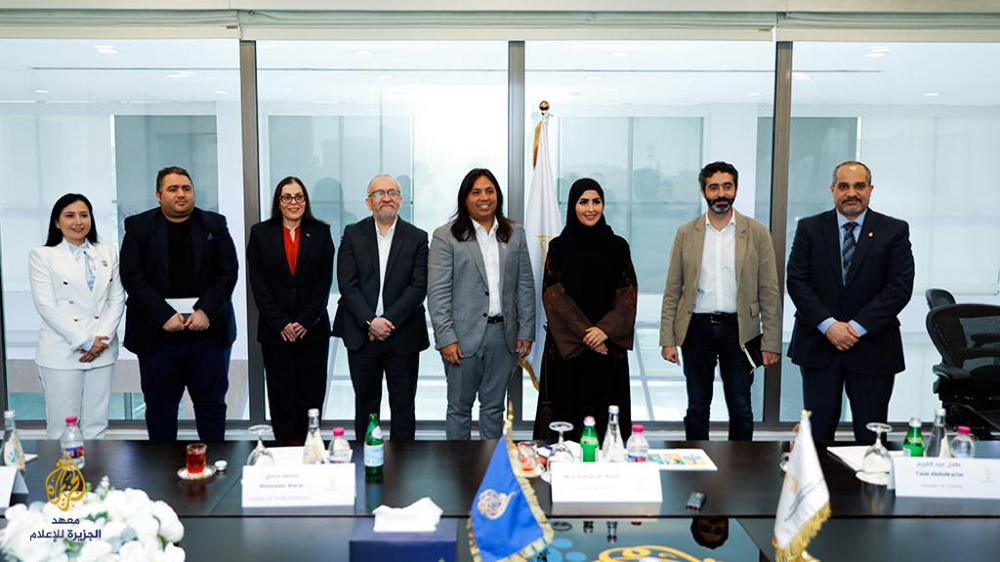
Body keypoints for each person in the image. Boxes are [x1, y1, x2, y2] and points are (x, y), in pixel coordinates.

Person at [786, 161, 914, 443]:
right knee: (816, 435)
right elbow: (797, 280)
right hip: (820, 345)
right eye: (843, 186)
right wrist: (829, 325)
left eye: (859, 186)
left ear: (870, 189)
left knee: (871, 438)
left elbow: (899, 287)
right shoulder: (809, 228)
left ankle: (868, 489)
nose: (851, 193)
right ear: (833, 190)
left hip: (873, 347)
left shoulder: (893, 230)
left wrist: (856, 327)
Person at [659, 161, 782, 441]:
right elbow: (672, 289)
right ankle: (696, 468)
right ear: (703, 191)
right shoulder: (686, 233)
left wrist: (771, 342)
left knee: (741, 407)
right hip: (697, 328)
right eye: (714, 187)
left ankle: (742, 472)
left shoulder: (757, 232)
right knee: (697, 406)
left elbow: (769, 291)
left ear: (735, 189)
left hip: (740, 331)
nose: (721, 193)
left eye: (727, 186)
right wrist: (667, 338)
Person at [120, 166, 239, 442]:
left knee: (211, 407)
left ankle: (214, 475)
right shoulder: (139, 227)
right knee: (160, 409)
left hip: (207, 335)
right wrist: (164, 315)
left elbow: (227, 273)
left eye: (186, 188)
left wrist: (206, 312)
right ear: (159, 195)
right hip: (157, 336)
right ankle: (163, 479)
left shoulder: (214, 225)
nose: (181, 194)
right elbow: (132, 277)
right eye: (173, 189)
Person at [428, 168, 535, 440]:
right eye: (476, 192)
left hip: (504, 336)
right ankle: (458, 476)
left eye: (489, 191)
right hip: (461, 340)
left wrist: (526, 331)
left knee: (494, 409)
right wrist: (446, 338)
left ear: (497, 196)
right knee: (459, 409)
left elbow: (524, 285)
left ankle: (489, 472)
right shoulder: (446, 236)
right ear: (465, 199)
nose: (484, 197)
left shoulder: (515, 234)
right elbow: (437, 292)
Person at [531, 178, 637, 443]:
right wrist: (587, 334)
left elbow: (627, 293)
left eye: (596, 201)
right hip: (569, 352)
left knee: (606, 421)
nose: (591, 208)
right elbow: (552, 294)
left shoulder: (618, 246)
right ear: (572, 206)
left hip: (607, 349)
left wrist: (604, 330)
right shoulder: (558, 247)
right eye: (583, 202)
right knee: (568, 423)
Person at [332, 174, 429, 441]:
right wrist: (370, 322)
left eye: (393, 192)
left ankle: (404, 469)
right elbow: (347, 284)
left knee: (404, 408)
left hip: (404, 335)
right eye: (379, 193)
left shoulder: (418, 237)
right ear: (368, 201)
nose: (386, 197)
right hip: (362, 336)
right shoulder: (353, 234)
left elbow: (418, 286)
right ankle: (367, 464)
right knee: (365, 406)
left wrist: (386, 321)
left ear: (400, 199)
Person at [28, 194, 125, 439]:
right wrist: (85, 341)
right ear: (57, 222)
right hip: (62, 350)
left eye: (84, 215)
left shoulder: (108, 252)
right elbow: (47, 306)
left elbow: (116, 299)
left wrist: (100, 339)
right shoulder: (43, 255)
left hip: (102, 349)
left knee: (96, 424)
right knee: (63, 426)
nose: (78, 221)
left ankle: (94, 476)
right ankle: (63, 479)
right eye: (70, 215)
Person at [247, 177, 334, 444]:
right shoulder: (261, 233)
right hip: (276, 332)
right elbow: (258, 283)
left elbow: (324, 282)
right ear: (278, 201)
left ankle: (311, 449)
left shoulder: (321, 231)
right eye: (287, 197)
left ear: (305, 201)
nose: (293, 202)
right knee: (281, 394)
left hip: (313, 330)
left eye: (299, 197)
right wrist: (281, 322)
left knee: (311, 395)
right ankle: (285, 449)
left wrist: (305, 320)